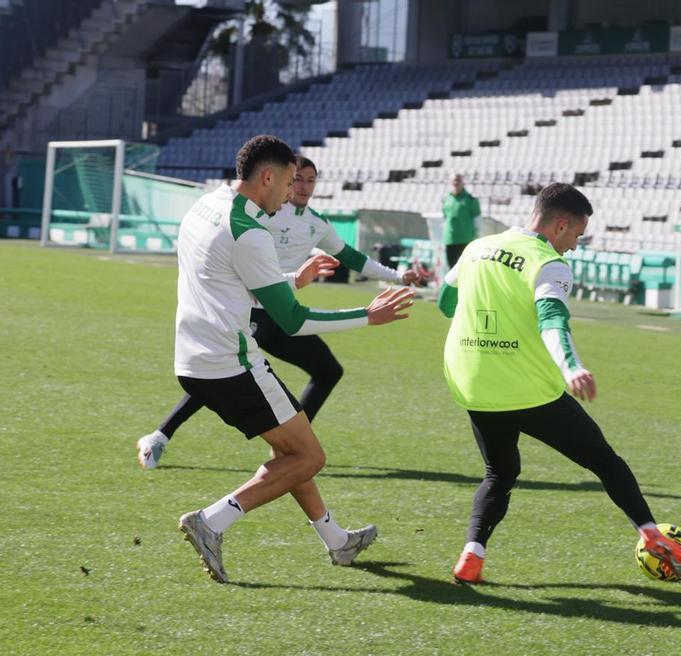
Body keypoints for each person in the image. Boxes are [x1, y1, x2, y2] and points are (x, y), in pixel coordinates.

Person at [171, 134, 414, 581]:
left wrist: (287, 277)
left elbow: (223, 272)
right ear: (267, 176)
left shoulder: (204, 206)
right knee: (308, 457)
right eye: (287, 183)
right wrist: (368, 315)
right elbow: (294, 321)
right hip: (233, 361)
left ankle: (338, 542)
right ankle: (211, 521)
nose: (290, 194)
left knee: (292, 449)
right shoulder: (251, 232)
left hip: (191, 356)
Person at [437, 182, 681, 584]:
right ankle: (651, 536)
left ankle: (472, 554)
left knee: (500, 474)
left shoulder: (477, 248)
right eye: (577, 235)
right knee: (605, 462)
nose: (575, 245)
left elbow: (445, 304)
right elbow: (553, 320)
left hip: (472, 383)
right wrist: (572, 367)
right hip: (525, 389)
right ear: (560, 226)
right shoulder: (548, 262)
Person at [136, 155, 418, 470]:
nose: (303, 186)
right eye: (297, 179)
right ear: (283, 179)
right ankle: (160, 436)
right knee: (223, 377)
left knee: (327, 370)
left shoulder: (316, 223)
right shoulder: (262, 213)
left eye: (311, 180)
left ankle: (292, 446)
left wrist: (398, 276)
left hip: (284, 310)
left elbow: (350, 256)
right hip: (251, 311)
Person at [442, 174, 480, 270]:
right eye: (454, 180)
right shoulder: (446, 199)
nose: (456, 183)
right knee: (451, 268)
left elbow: (477, 219)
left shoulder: (470, 199)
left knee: (464, 268)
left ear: (463, 182)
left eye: (458, 180)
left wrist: (477, 236)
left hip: (465, 239)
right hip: (450, 239)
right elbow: (445, 218)